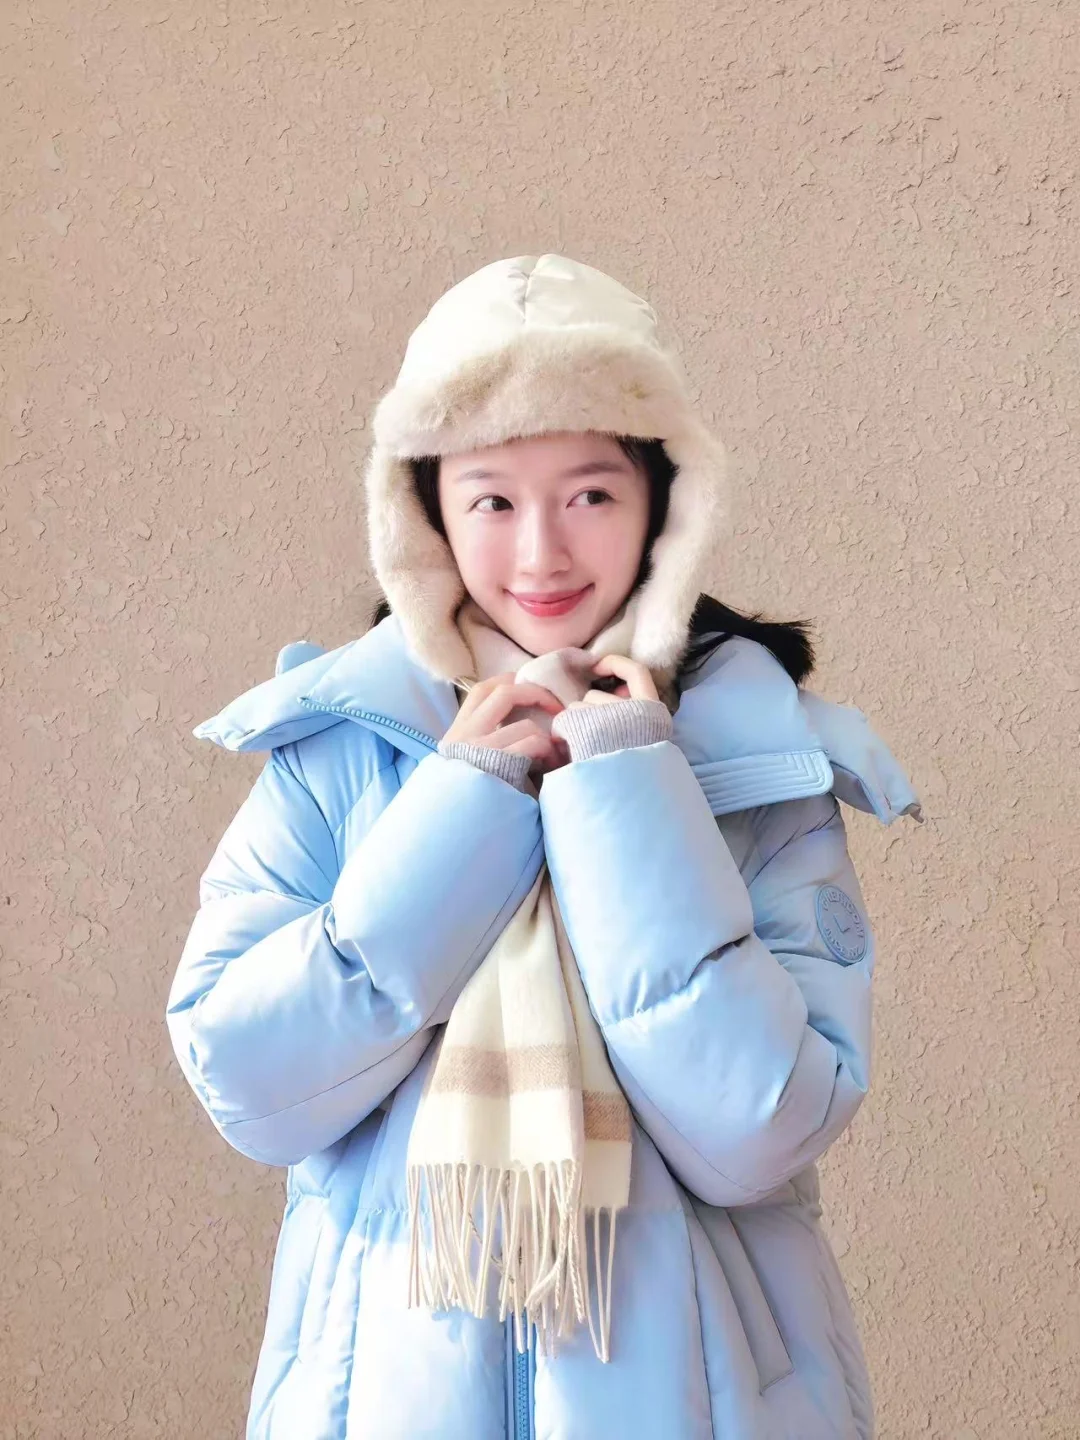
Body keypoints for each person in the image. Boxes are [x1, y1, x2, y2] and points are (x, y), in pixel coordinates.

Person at [166, 254, 922, 1440]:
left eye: (590, 495)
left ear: (665, 502)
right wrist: (466, 805)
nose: (541, 557)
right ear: (424, 513)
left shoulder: (760, 754)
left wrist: (624, 786)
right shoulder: (341, 745)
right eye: (492, 502)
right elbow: (252, 1087)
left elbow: (761, 1127)